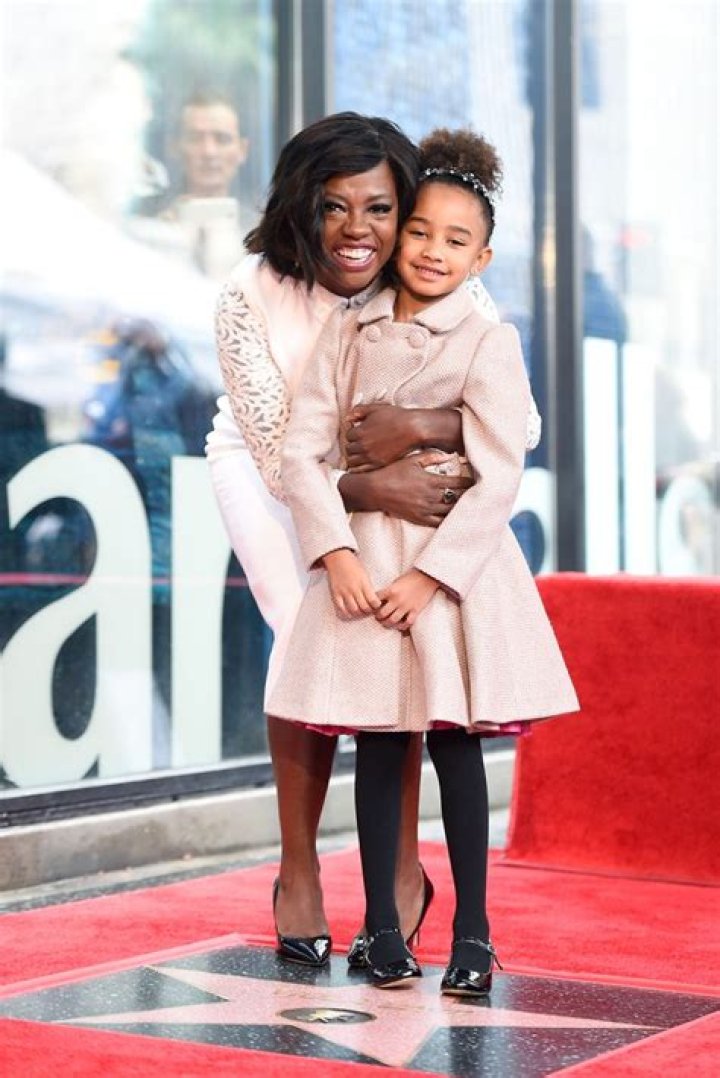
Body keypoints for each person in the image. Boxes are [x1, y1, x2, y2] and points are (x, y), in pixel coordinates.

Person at [267, 128, 579, 993]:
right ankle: (382, 928)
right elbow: (302, 451)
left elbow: (499, 468)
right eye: (421, 232)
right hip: (365, 559)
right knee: (379, 740)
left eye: (455, 240)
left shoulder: (488, 339)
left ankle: (474, 935)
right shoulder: (348, 326)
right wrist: (335, 554)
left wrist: (431, 576)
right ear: (400, 234)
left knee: (454, 746)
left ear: (481, 257)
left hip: (449, 576)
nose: (432, 251)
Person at [208, 112, 507, 967]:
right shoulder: (249, 291)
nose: (358, 232)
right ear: (301, 205)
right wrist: (372, 485)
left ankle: (397, 864)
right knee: (301, 638)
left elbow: (511, 420)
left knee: (395, 646)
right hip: (271, 474)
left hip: (398, 478)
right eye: (334, 207)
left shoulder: (434, 271)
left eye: (379, 209)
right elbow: (278, 455)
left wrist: (422, 423)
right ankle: (298, 866)